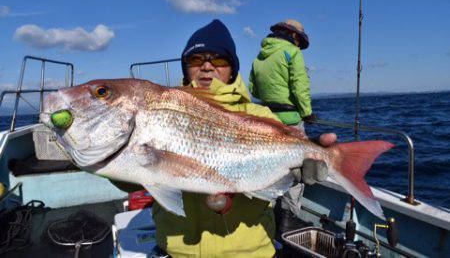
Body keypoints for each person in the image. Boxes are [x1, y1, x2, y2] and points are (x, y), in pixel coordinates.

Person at [112, 19, 334, 257]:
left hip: (251, 252)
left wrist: (298, 169)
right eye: (196, 59)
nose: (207, 66)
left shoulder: (260, 116)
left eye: (218, 59)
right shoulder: (161, 110)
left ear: (232, 69)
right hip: (179, 251)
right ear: (186, 67)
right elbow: (132, 178)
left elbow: (282, 167)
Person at [248, 19, 324, 237]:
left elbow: (254, 88)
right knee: (296, 171)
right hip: (291, 120)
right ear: (294, 36)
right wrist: (307, 112)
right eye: (299, 39)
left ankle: (267, 216)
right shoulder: (292, 52)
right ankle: (288, 219)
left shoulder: (259, 57)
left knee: (270, 168)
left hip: (267, 119)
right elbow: (300, 85)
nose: (299, 45)